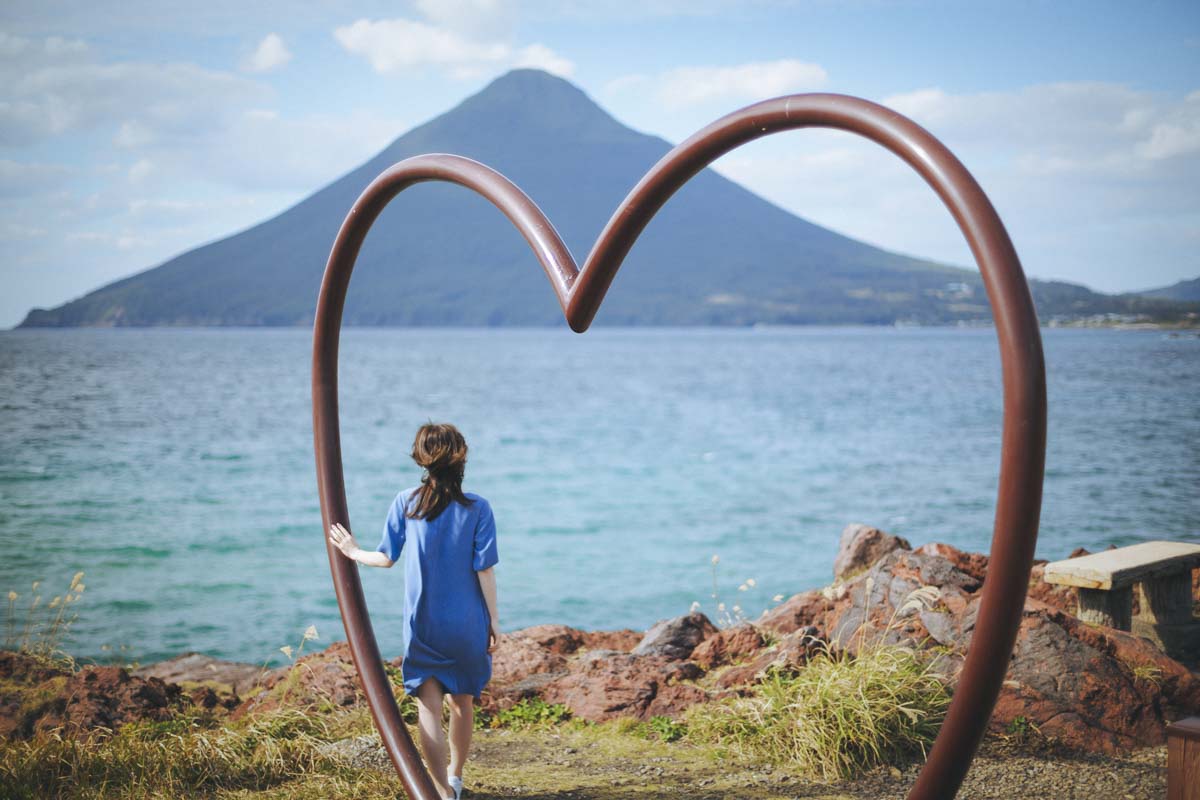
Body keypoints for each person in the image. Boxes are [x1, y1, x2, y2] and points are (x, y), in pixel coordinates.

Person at [328, 422, 499, 800]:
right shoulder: (478, 508)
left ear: (421, 459)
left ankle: (439, 792)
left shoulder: (406, 502)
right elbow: (484, 569)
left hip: (424, 623)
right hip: (468, 622)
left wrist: (353, 551)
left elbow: (387, 558)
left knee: (429, 708)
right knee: (463, 703)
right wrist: (494, 622)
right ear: (461, 458)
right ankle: (455, 776)